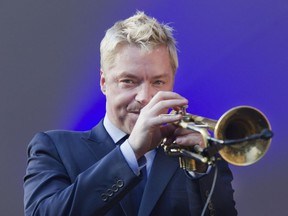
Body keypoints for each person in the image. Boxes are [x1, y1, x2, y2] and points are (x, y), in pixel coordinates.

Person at [24, 11, 237, 216]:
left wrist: (201, 172)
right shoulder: (55, 148)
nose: (145, 97)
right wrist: (130, 151)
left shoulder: (201, 156)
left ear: (172, 82)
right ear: (104, 82)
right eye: (128, 81)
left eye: (158, 82)